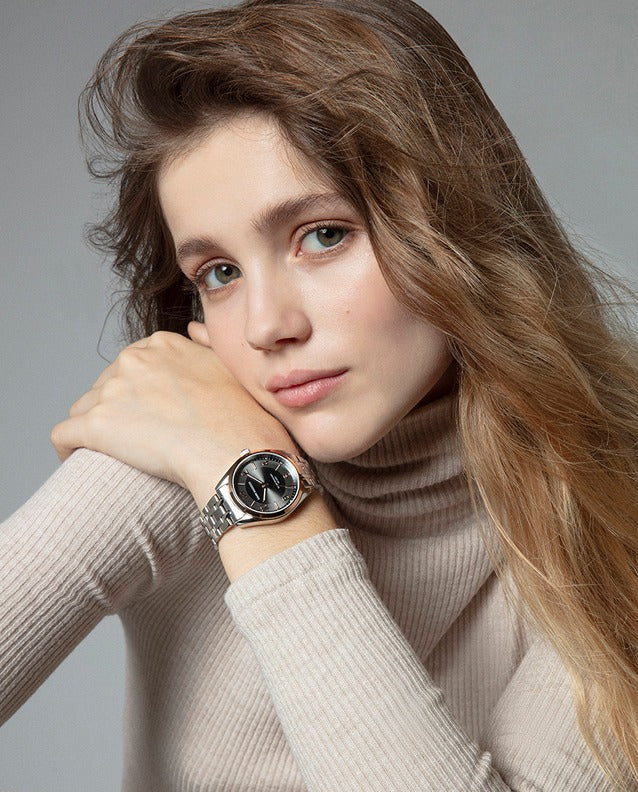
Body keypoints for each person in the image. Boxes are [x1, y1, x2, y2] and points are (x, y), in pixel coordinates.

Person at [1, 0, 637, 788]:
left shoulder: (608, 511)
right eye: (220, 273)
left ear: (456, 225)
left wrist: (251, 487)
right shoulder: (172, 455)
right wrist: (231, 465)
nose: (267, 325)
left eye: (323, 235)